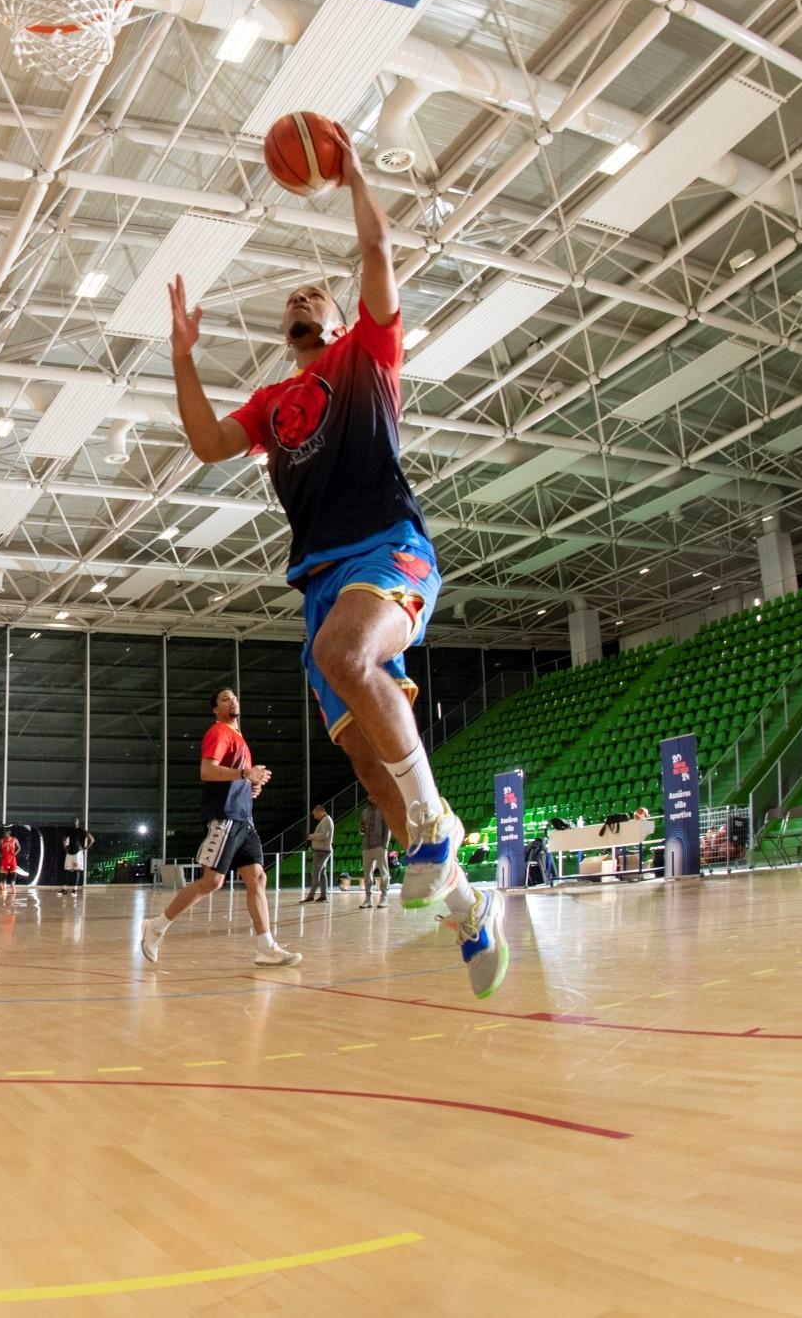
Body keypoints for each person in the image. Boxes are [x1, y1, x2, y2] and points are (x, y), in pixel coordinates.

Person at [166, 139, 508, 998]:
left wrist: (354, 175)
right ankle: (467, 905)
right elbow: (207, 444)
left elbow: (379, 252)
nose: (301, 298)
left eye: (314, 292)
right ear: (284, 333)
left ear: (335, 313)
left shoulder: (369, 357)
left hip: (387, 548)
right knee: (362, 761)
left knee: (344, 658)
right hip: (320, 582)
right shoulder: (272, 404)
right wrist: (180, 354)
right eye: (293, 300)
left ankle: (435, 829)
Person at [140, 687, 300, 968]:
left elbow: (235, 778)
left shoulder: (240, 740)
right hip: (225, 816)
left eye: (235, 697)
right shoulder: (219, 732)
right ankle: (156, 926)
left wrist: (251, 785)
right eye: (225, 699)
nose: (232, 700)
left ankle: (266, 947)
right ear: (216, 709)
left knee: (257, 879)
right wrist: (243, 774)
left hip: (244, 819)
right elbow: (207, 771)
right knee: (212, 882)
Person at [359, 797, 390, 908]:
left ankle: (384, 898)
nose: (370, 797)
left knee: (383, 873)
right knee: (367, 874)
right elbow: (361, 829)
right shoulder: (364, 812)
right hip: (366, 846)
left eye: (372, 794)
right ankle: (368, 899)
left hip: (379, 846)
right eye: (369, 795)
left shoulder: (383, 810)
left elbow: (387, 829)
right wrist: (361, 829)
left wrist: (384, 845)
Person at [301, 804, 334, 903]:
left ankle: (311, 896)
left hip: (322, 851)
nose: (315, 817)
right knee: (322, 874)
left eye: (315, 814)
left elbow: (324, 835)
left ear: (320, 811)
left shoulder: (326, 820)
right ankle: (323, 896)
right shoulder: (325, 820)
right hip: (322, 850)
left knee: (316, 873)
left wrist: (311, 836)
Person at [60, 823, 95, 895]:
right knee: (67, 870)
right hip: (70, 853)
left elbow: (92, 839)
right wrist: (65, 848)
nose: (75, 822)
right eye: (74, 821)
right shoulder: (69, 831)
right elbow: (64, 839)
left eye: (76, 821)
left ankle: (74, 890)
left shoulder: (82, 830)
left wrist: (85, 848)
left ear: (79, 822)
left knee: (77, 870)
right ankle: (64, 889)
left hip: (78, 853)